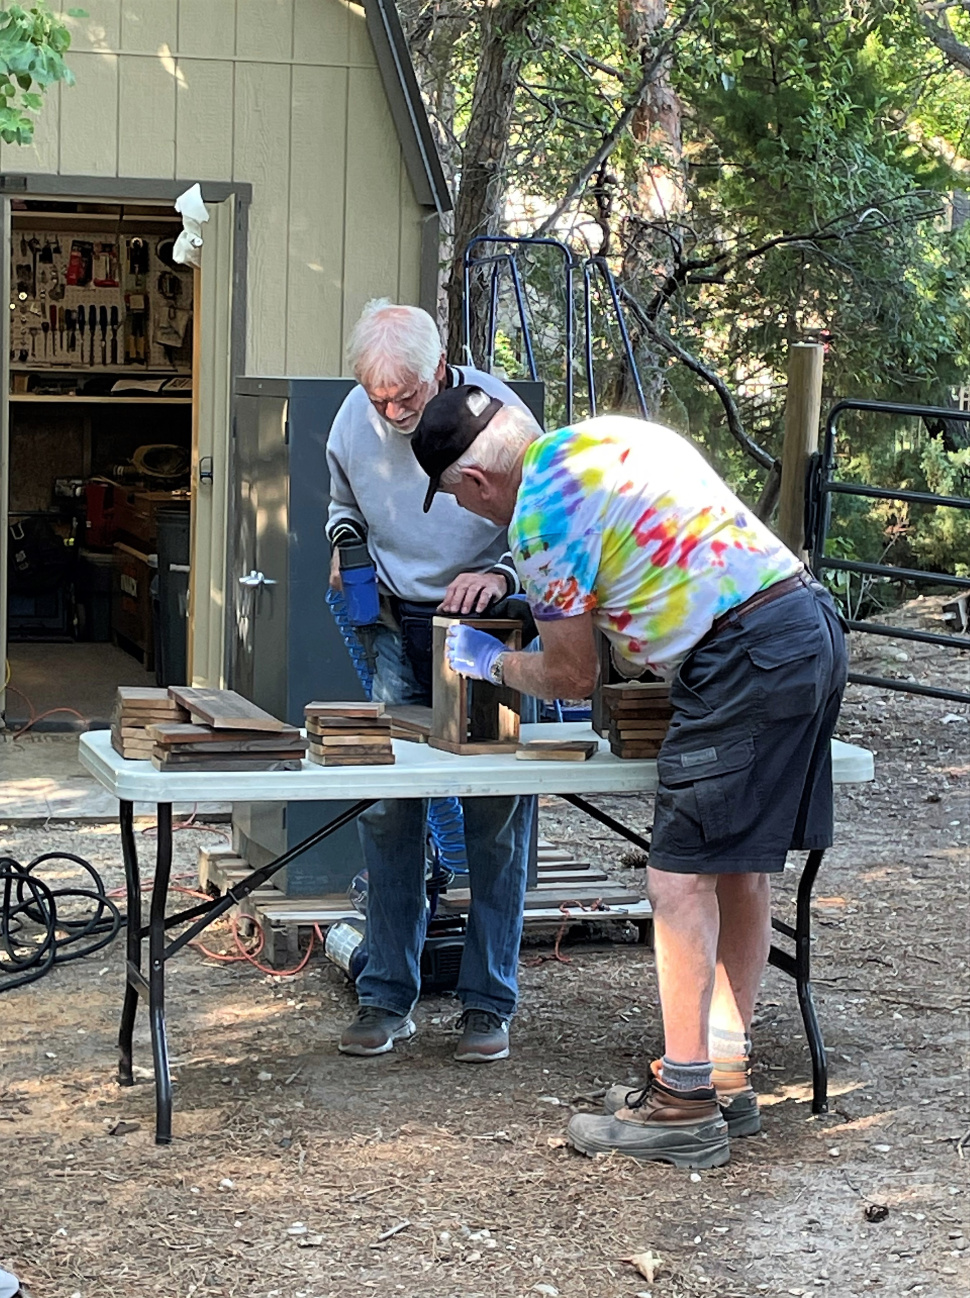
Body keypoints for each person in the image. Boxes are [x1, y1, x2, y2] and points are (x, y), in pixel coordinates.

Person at [410, 385, 848, 1167]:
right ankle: (722, 1075)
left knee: (678, 881)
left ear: (475, 481)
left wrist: (494, 662)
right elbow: (646, 577)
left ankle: (683, 1103)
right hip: (805, 625)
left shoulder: (537, 516)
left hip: (742, 654)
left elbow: (573, 677)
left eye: (454, 499)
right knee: (738, 868)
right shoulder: (609, 440)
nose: (467, 514)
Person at [326, 301, 535, 1063]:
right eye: (379, 397)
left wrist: (501, 572)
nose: (393, 411)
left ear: (440, 369)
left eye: (406, 396)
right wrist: (347, 547)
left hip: (483, 624)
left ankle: (488, 1003)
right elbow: (343, 505)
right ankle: (386, 995)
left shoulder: (500, 415)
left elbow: (540, 521)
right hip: (392, 620)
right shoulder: (355, 416)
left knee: (494, 813)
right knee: (389, 809)